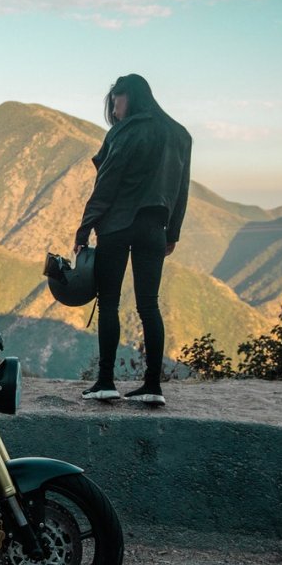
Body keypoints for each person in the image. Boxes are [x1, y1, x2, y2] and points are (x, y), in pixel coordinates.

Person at [74, 74, 192, 406]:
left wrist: (84, 229)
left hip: (117, 225)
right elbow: (182, 188)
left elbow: (107, 183)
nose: (113, 105)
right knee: (149, 305)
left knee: (109, 302)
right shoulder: (179, 134)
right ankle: (153, 386)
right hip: (155, 227)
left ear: (131, 97)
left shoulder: (125, 132)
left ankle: (106, 381)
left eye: (116, 98)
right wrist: (174, 233)